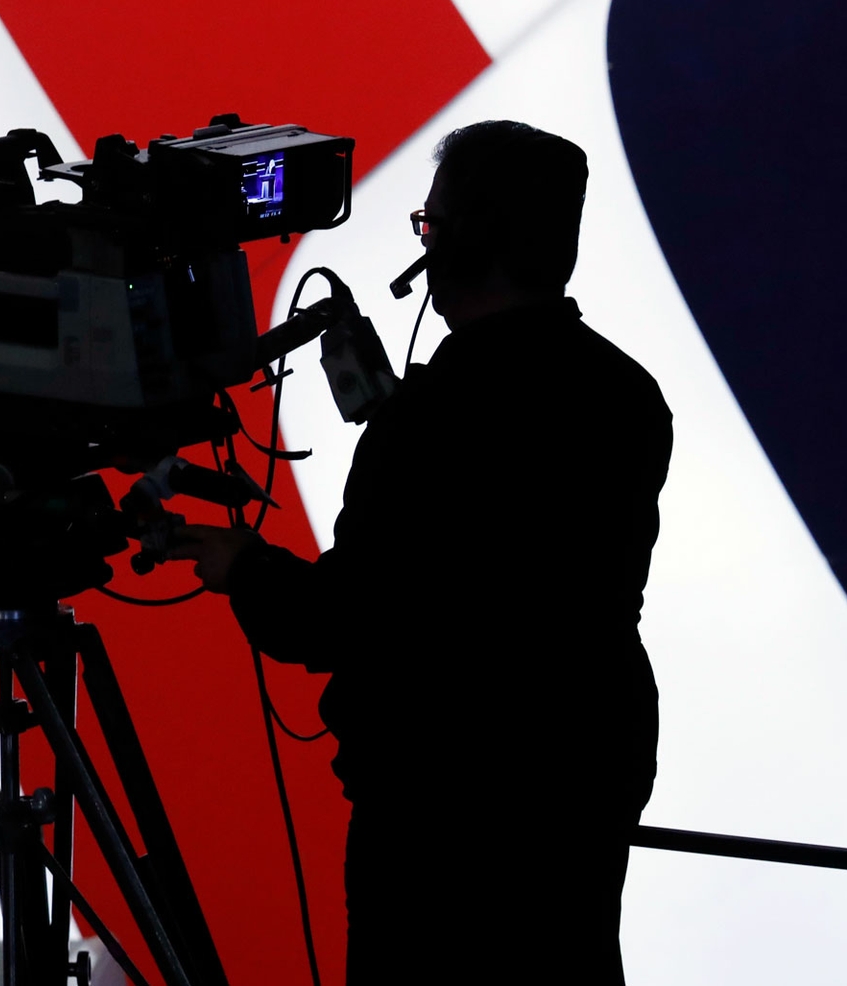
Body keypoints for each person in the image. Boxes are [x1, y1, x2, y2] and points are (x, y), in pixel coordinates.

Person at [173, 121, 672, 984]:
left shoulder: (433, 423)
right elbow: (508, 560)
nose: (426, 245)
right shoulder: (626, 394)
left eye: (432, 225)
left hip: (441, 817)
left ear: (473, 236)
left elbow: (343, 621)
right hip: (583, 780)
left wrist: (239, 566)